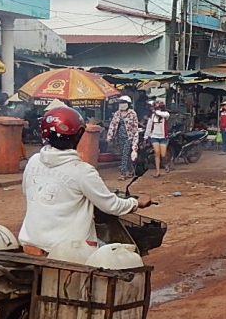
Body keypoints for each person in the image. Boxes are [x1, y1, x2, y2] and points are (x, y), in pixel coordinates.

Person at [18, 106, 152, 255]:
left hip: (30, 240)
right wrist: (136, 202)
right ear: (79, 135)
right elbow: (111, 206)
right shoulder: (83, 171)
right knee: (117, 255)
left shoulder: (34, 161)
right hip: (69, 250)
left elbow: (27, 191)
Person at [106, 96, 140, 180]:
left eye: (123, 102)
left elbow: (135, 127)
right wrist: (110, 136)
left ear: (128, 104)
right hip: (119, 137)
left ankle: (123, 174)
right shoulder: (117, 113)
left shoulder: (132, 113)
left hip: (129, 137)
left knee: (124, 154)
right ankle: (131, 171)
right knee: (125, 155)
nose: (122, 104)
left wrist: (135, 140)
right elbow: (112, 125)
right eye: (120, 103)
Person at [144, 100, 170, 177]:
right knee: (157, 153)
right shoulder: (152, 116)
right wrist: (146, 137)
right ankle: (157, 172)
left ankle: (165, 163)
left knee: (163, 155)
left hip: (163, 137)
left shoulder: (165, 114)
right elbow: (148, 127)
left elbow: (163, 114)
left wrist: (156, 111)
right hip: (154, 136)